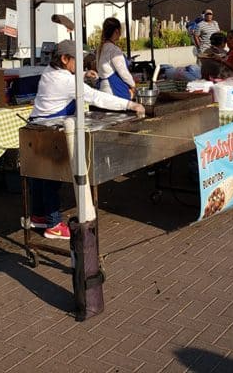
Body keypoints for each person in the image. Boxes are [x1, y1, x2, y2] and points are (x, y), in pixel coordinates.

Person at [28, 39, 145, 239]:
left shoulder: (49, 71)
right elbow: (95, 97)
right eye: (78, 61)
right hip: (50, 131)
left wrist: (82, 74)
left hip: (35, 128)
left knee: (38, 176)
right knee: (51, 178)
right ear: (65, 59)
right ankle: (54, 224)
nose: (82, 65)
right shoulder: (65, 82)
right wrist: (130, 105)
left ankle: (39, 216)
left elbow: (68, 78)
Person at [96, 17, 135, 100]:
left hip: (102, 89)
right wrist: (133, 85)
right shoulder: (114, 49)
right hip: (114, 91)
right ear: (117, 31)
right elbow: (123, 72)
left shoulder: (100, 48)